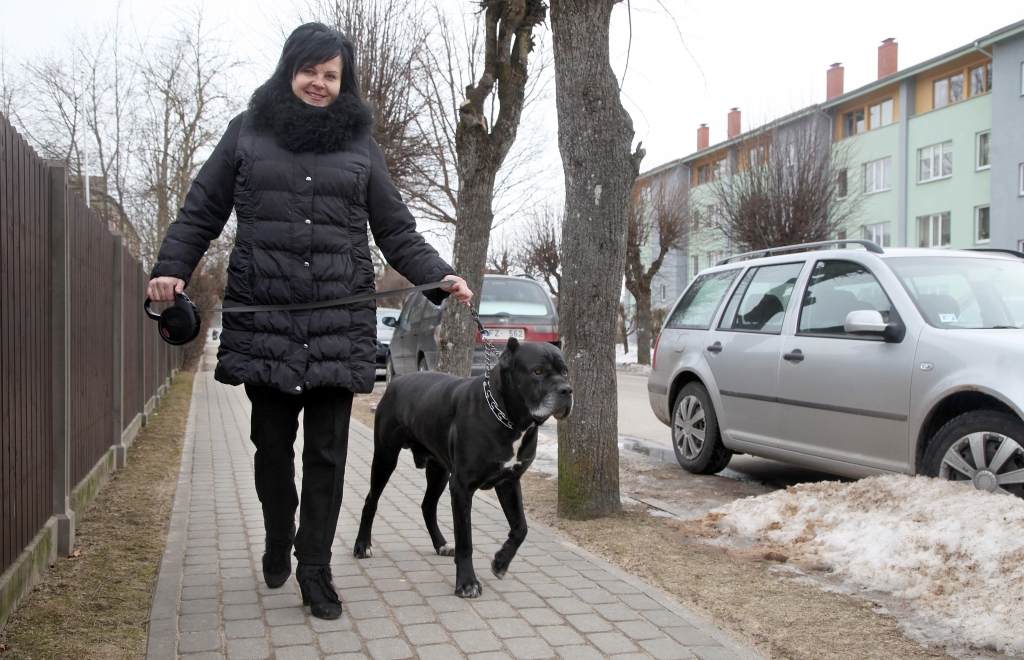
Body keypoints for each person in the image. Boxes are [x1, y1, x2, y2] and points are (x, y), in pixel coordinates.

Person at [147, 22, 472, 620]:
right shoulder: (246, 134)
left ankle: (315, 569)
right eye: (310, 72)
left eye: (331, 75)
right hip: (266, 323)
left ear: (343, 83)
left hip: (336, 326)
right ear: (288, 70)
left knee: (326, 453)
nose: (319, 84)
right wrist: (172, 267)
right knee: (271, 451)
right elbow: (203, 208)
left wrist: (437, 274)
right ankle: (278, 531)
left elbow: (396, 228)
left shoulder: (361, 148)